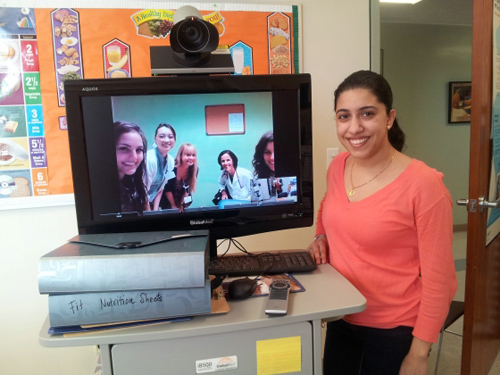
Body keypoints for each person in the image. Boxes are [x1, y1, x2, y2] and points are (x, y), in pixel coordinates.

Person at [307, 70, 457, 375]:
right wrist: (321, 236)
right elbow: (326, 208)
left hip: (394, 330)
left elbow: (440, 282)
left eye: (367, 114)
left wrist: (419, 354)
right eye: (344, 116)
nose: (354, 127)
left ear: (389, 118)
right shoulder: (339, 165)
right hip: (343, 317)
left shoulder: (424, 185)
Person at [114, 121, 149, 214]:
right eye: (124, 148)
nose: (134, 157)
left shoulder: (132, 184)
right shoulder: (101, 192)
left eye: (139, 150)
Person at [145, 123, 176, 210]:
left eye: (170, 137)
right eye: (162, 136)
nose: (166, 140)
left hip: (150, 202)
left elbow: (161, 188)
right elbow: (143, 191)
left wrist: (155, 210)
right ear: (155, 139)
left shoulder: (170, 160)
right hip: (136, 203)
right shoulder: (149, 158)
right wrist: (149, 213)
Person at [164, 143, 198, 212]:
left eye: (193, 155)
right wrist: (173, 205)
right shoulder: (172, 168)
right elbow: (167, 189)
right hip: (168, 198)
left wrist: (182, 204)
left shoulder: (195, 169)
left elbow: (189, 187)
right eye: (188, 155)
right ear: (181, 155)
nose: (191, 158)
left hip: (183, 197)